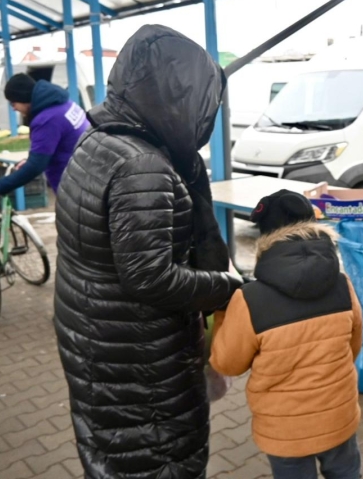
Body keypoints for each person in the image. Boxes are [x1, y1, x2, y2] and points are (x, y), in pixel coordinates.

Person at [53, 25, 244, 479]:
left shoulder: (100, 139)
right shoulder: (143, 164)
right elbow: (150, 277)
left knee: (113, 451)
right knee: (159, 456)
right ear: (176, 95)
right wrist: (227, 288)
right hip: (139, 352)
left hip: (96, 333)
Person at [211, 190, 363, 479]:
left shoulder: (249, 299)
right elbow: (353, 346)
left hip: (285, 431)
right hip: (339, 416)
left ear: (266, 237)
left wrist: (222, 316)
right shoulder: (343, 285)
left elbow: (227, 364)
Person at [0, 73, 89, 200]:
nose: (14, 108)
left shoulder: (46, 119)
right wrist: (35, 158)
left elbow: (35, 166)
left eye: (13, 103)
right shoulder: (65, 104)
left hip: (75, 187)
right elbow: (61, 143)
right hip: (87, 175)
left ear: (22, 98)